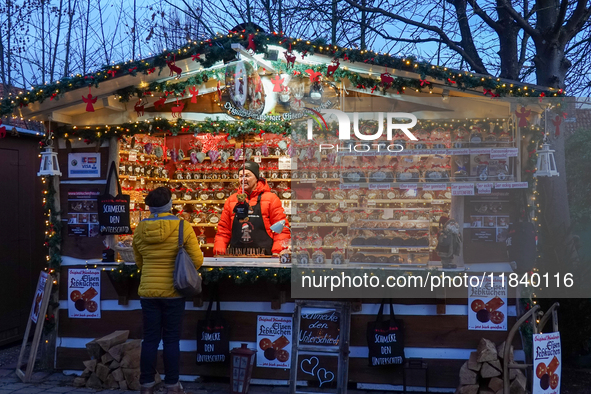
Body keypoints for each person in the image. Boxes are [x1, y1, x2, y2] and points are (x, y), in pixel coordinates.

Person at [132, 187, 203, 394]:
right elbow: (197, 260)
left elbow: (139, 262)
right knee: (171, 339)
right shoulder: (182, 226)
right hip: (174, 291)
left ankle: (146, 385)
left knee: (150, 339)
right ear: (169, 204)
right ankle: (172, 384)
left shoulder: (140, 228)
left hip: (148, 291)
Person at [213, 161, 290, 255]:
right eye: (241, 176)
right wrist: (219, 252)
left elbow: (281, 229)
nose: (243, 179)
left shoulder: (271, 199)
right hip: (236, 257)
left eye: (247, 175)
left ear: (256, 178)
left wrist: (277, 252)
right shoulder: (232, 200)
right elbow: (223, 230)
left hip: (264, 257)